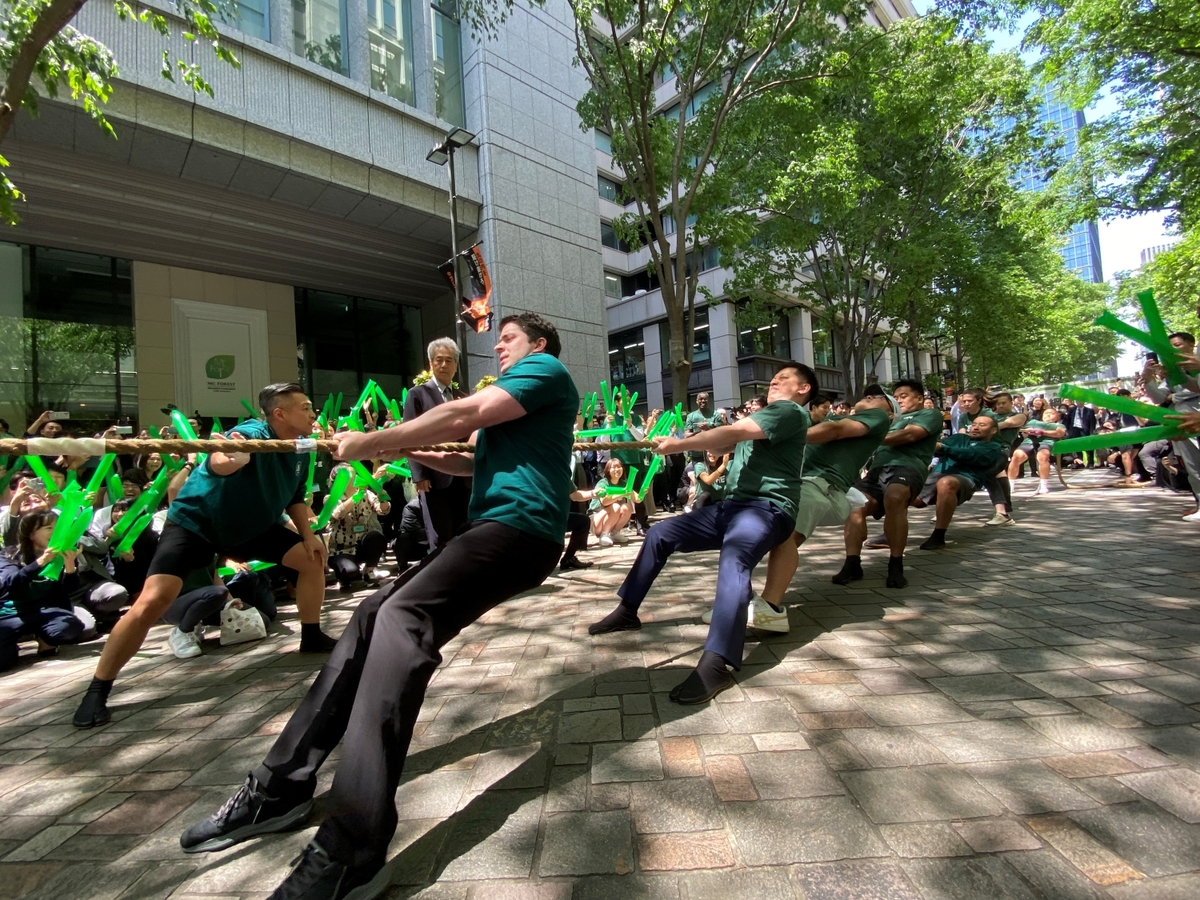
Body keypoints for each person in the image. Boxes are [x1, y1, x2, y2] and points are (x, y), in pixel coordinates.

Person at [178, 313, 577, 900]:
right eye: (500, 341)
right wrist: (416, 456)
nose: (499, 346)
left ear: (538, 345)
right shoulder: (517, 404)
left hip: (520, 533)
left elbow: (464, 414)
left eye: (508, 338)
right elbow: (472, 461)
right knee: (371, 614)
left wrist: (378, 439)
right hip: (495, 527)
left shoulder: (545, 370)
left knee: (401, 618)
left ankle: (353, 846)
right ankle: (280, 785)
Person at [71, 383, 335, 729]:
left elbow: (295, 497)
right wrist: (231, 456)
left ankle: (311, 634)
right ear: (279, 414)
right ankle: (98, 687)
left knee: (312, 556)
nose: (312, 413)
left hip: (252, 527)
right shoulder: (252, 432)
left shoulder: (301, 447)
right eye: (304, 407)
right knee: (153, 600)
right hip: (198, 523)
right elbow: (224, 456)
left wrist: (308, 534)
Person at [588, 362, 816, 704]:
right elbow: (727, 444)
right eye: (774, 376)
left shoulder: (789, 412)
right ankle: (627, 609)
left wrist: (678, 444)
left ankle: (717, 663)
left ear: (803, 390)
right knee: (659, 535)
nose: (775, 381)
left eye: (784, 378)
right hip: (732, 508)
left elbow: (732, 435)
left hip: (767, 509)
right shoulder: (768, 420)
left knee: (735, 559)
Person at [755, 387, 892, 618]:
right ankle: (743, 600)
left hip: (820, 485)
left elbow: (835, 430)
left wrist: (776, 435)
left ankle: (768, 609)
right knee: (770, 536)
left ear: (890, 413)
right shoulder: (831, 419)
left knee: (787, 538)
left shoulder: (877, 418)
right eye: (868, 395)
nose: (869, 397)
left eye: (879, 398)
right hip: (802, 483)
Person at [835, 379, 943, 588]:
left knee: (895, 497)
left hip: (907, 468)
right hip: (877, 470)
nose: (899, 400)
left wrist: (872, 435)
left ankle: (895, 565)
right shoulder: (889, 417)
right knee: (854, 504)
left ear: (920, 398)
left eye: (904, 396)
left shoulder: (929, 414)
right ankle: (852, 563)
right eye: (896, 397)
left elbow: (911, 434)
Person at [403, 338, 471, 552]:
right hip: (434, 479)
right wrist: (419, 474)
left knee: (465, 532)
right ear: (431, 363)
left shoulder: (462, 398)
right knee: (440, 537)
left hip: (464, 479)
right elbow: (410, 435)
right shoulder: (418, 394)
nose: (444, 365)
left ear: (455, 366)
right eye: (439, 360)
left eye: (449, 361)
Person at [0, 512, 88, 670]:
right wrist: (41, 562)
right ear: (31, 534)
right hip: (10, 614)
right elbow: (12, 584)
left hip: (44, 611)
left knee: (71, 626)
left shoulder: (61, 554)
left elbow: (69, 590)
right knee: (4, 662)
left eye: (58, 527)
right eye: (48, 528)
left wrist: (69, 566)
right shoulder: (8, 555)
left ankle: (45, 640)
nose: (55, 532)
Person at [913, 414, 1007, 549]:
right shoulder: (958, 438)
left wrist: (943, 448)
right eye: (974, 424)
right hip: (936, 476)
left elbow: (972, 455)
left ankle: (938, 535)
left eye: (982, 425)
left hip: (967, 478)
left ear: (993, 430)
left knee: (946, 482)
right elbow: (935, 447)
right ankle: (890, 533)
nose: (976, 427)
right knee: (905, 495)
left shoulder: (993, 447)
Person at [324, 464, 391, 590]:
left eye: (354, 475)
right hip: (342, 549)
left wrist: (382, 496)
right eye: (350, 477)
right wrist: (357, 495)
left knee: (376, 536)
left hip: (362, 544)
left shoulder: (367, 494)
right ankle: (344, 577)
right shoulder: (330, 498)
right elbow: (338, 513)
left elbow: (383, 510)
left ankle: (369, 570)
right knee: (350, 573)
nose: (354, 479)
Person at [1008, 408, 1067, 495]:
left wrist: (1042, 432)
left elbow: (1059, 433)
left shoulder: (1059, 425)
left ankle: (1044, 485)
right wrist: (1029, 431)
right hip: (1029, 441)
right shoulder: (1034, 422)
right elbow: (1023, 430)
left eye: (1051, 413)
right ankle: (1010, 485)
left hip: (1047, 442)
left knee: (1042, 456)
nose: (1048, 414)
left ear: (1057, 417)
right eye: (1046, 413)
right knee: (1016, 456)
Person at [582, 457, 634, 546]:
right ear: (608, 470)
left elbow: (637, 499)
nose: (617, 469)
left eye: (619, 467)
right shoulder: (603, 483)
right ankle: (604, 535)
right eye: (614, 467)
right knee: (616, 506)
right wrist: (621, 493)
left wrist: (643, 492)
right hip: (595, 519)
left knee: (627, 507)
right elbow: (605, 502)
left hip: (610, 518)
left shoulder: (624, 484)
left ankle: (614, 533)